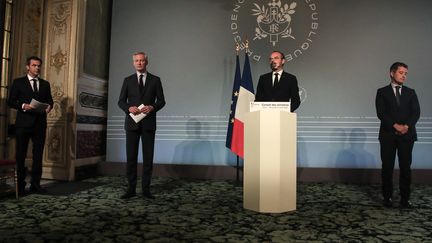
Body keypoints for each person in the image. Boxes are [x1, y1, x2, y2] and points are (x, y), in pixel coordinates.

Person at [118, 52, 166, 199]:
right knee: (131, 158)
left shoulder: (155, 80)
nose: (139, 63)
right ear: (133, 63)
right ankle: (131, 189)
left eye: (142, 60)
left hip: (148, 124)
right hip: (132, 124)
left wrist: (152, 107)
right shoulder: (127, 80)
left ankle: (146, 189)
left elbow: (161, 101)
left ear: (146, 62)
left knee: (148, 158)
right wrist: (128, 108)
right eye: (136, 61)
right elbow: (120, 101)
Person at [375, 62, 420, 208]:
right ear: (392, 73)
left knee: (405, 168)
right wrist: (395, 126)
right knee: (387, 167)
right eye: (401, 72)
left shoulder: (411, 92)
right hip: (388, 135)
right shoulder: (382, 92)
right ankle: (387, 197)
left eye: (406, 73)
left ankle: (405, 199)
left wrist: (406, 126)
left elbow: (416, 112)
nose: (404, 76)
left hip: (407, 136)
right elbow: (381, 113)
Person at [7, 56, 54, 196]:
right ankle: (20, 186)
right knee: (20, 155)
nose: (37, 68)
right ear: (28, 67)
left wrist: (49, 107)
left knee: (38, 156)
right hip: (23, 124)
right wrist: (23, 106)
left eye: (39, 66)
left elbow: (50, 100)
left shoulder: (45, 84)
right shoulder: (18, 82)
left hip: (40, 124)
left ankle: (35, 185)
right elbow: (10, 102)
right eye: (34, 65)